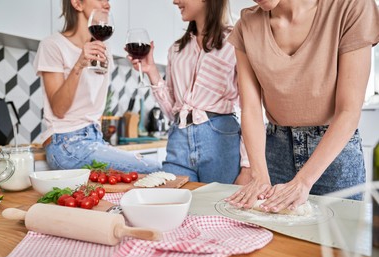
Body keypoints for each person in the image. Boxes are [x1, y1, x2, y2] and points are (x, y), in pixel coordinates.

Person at [226, 0, 379, 213]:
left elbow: (348, 111)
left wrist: (303, 181)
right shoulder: (247, 24)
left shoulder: (351, 7)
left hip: (334, 156)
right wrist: (259, 175)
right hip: (274, 152)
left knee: (336, 243)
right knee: (277, 245)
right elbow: (251, 108)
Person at [127, 0, 251, 184]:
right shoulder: (176, 50)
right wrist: (151, 70)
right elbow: (172, 112)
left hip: (220, 139)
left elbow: (251, 107)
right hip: (179, 140)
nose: (175, 1)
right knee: (170, 204)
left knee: (218, 207)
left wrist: (248, 167)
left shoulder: (235, 41)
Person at [33, 0, 160, 173]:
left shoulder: (104, 49)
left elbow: (94, 105)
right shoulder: (53, 45)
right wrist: (79, 65)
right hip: (66, 144)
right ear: (77, 3)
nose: (107, 5)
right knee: (154, 169)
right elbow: (59, 109)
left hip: (96, 139)